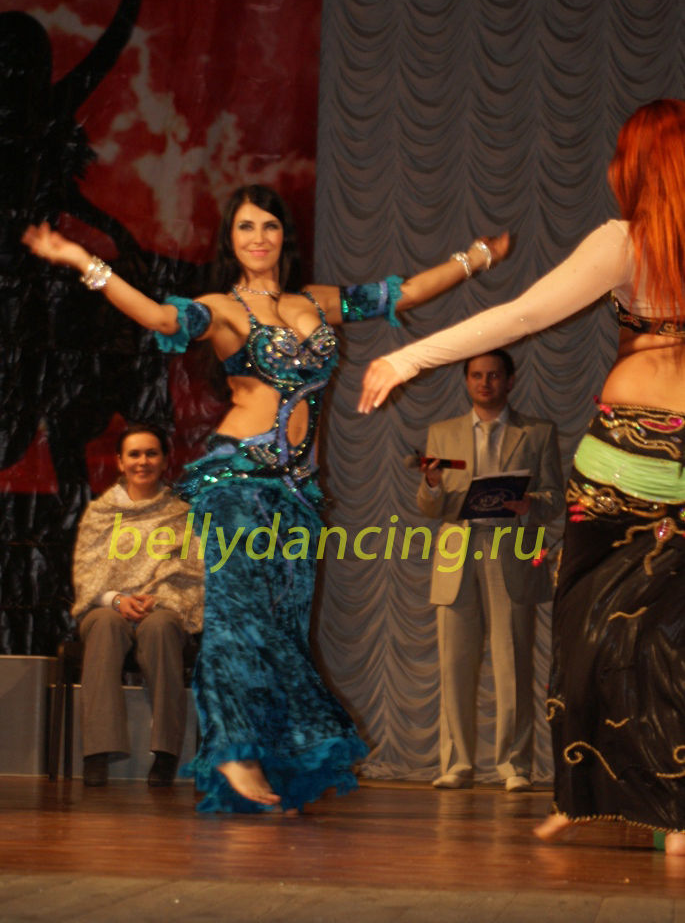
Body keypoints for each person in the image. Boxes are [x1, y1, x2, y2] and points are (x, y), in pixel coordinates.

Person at [23, 184, 508, 813]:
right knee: (238, 616)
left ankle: (272, 756)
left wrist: (477, 257)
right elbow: (159, 318)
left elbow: (405, 293)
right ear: (231, 240)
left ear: (284, 236)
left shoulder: (316, 301)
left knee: (283, 626)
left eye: (270, 226)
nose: (259, 238)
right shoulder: (222, 309)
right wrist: (80, 260)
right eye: (246, 227)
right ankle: (233, 748)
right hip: (239, 482)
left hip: (296, 494)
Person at [360, 98, 685, 855]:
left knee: (597, 630)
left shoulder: (625, 240)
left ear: (637, 164)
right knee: (652, 633)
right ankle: (638, 809)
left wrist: (408, 357)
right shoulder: (636, 244)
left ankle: (611, 800)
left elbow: (521, 316)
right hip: (660, 462)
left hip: (625, 458)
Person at [419, 350, 563, 792]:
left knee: (513, 663)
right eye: (477, 376)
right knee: (454, 666)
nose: (485, 383)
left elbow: (555, 498)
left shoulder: (537, 432)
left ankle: (514, 765)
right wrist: (431, 484)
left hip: (511, 549)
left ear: (510, 380)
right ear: (466, 381)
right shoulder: (442, 433)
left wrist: (529, 504)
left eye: (494, 375)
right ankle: (457, 763)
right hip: (457, 553)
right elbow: (430, 507)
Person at [72, 423, 203, 787]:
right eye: (134, 454)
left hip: (163, 606)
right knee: (105, 624)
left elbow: (193, 572)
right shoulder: (100, 513)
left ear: (164, 460)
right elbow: (87, 574)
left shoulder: (182, 514)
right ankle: (97, 752)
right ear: (120, 461)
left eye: (151, 453)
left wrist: (157, 599)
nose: (142, 461)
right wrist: (116, 599)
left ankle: (166, 753)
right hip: (107, 607)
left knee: (160, 627)